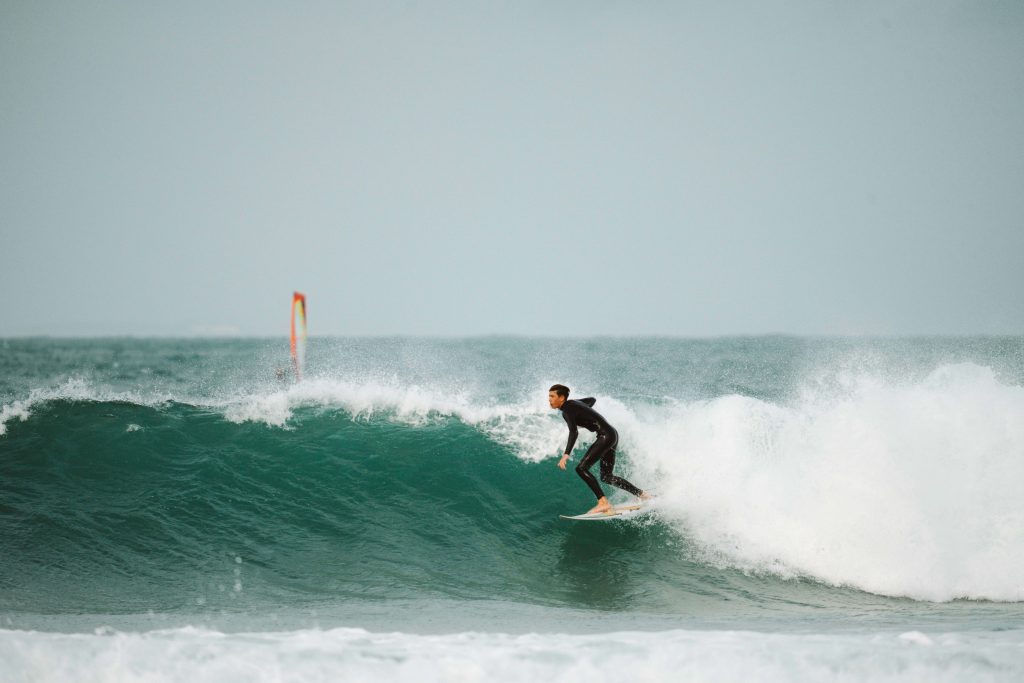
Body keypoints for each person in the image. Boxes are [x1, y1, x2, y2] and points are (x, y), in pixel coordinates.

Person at [549, 383, 649, 514]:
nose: (549, 400)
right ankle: (642, 495)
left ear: (562, 398)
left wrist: (566, 454)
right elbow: (592, 400)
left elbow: (573, 432)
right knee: (606, 476)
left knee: (581, 469)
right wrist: (583, 413)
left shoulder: (567, 411)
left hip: (605, 436)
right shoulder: (574, 403)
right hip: (613, 434)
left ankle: (603, 503)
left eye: (552, 396)